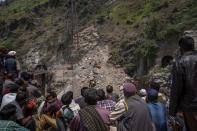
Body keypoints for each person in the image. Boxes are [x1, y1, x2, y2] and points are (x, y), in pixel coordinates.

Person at [169, 36, 197, 131]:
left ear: (181, 48)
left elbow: (176, 88)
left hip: (190, 106)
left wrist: (172, 112)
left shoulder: (180, 62)